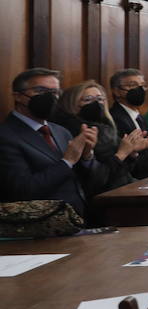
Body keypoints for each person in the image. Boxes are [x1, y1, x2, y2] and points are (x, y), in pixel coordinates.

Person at [0, 68, 99, 212]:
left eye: (54, 93)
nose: (50, 97)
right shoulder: (6, 136)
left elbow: (84, 180)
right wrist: (67, 161)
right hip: (39, 224)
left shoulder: (61, 131)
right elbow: (23, 190)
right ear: (18, 96)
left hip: (77, 217)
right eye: (40, 91)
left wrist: (86, 156)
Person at [53, 80, 146, 196]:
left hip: (123, 187)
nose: (96, 103)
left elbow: (125, 171)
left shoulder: (107, 128)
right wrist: (122, 153)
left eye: (100, 99)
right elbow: (99, 179)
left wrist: (132, 153)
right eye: (88, 99)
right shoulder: (75, 131)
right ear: (71, 104)